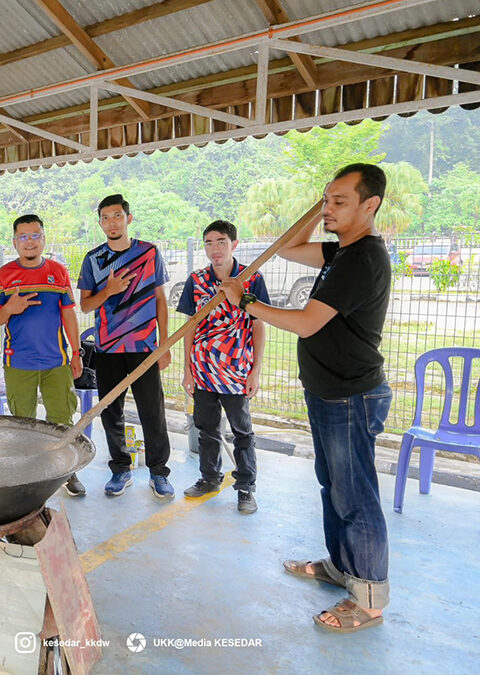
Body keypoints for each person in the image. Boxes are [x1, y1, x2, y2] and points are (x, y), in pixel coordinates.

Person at [220, 163, 393, 634]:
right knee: (333, 487)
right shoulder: (340, 252)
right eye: (326, 199)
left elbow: (306, 322)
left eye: (340, 201)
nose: (329, 208)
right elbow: (289, 248)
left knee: (355, 496)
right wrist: (317, 210)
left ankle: (369, 597)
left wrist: (244, 302)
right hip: (327, 391)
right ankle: (341, 567)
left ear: (370, 205)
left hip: (351, 396)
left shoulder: (362, 260)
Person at [78, 194, 174, 500]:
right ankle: (120, 469)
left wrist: (165, 343)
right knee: (111, 412)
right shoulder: (93, 259)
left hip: (144, 346)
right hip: (107, 348)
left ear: (128, 218)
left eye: (117, 215)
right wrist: (108, 290)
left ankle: (159, 473)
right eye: (105, 217)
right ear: (100, 222)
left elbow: (160, 298)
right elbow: (85, 304)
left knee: (152, 412)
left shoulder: (149, 253)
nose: (112, 222)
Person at [177, 220, 269, 514]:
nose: (214, 249)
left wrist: (254, 370)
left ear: (234, 245)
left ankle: (245, 487)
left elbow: (257, 325)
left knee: (242, 432)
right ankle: (209, 478)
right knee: (206, 429)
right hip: (203, 369)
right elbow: (189, 326)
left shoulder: (250, 280)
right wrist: (188, 369)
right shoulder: (196, 280)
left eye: (221, 242)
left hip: (236, 371)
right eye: (208, 243)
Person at [0, 214, 85, 496]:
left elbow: (69, 316)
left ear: (43, 238)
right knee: (23, 423)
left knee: (62, 419)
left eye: (35, 235)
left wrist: (76, 353)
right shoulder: (3, 275)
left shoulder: (58, 271)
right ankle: (27, 474)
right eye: (23, 237)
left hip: (57, 362)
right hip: (18, 362)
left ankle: (67, 472)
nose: (29, 242)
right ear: (14, 242)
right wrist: (10, 308)